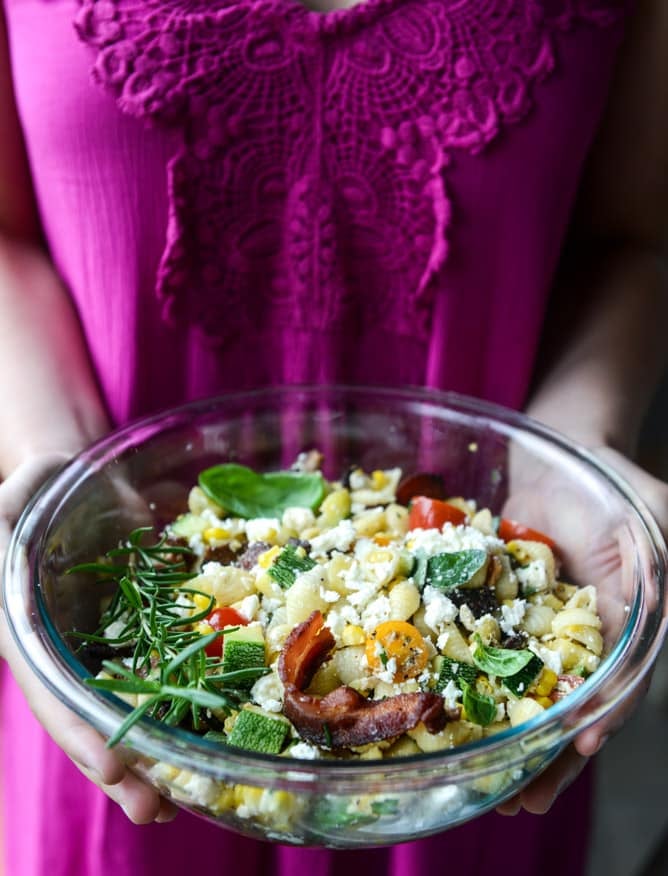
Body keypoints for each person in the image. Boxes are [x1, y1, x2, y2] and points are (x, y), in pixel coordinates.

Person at [0, 0, 666, 873]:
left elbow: (633, 238)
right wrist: (65, 491)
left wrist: (572, 455)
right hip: (121, 657)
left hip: (479, 775)